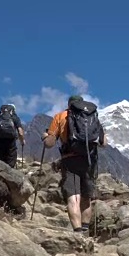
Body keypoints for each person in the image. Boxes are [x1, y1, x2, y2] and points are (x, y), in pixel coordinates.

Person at [42, 95, 106, 234]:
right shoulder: (92, 118)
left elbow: (49, 144)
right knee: (86, 198)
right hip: (89, 161)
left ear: (69, 104)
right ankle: (86, 230)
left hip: (69, 160)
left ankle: (78, 234)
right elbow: (104, 143)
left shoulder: (61, 116)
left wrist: (45, 137)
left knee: (73, 197)